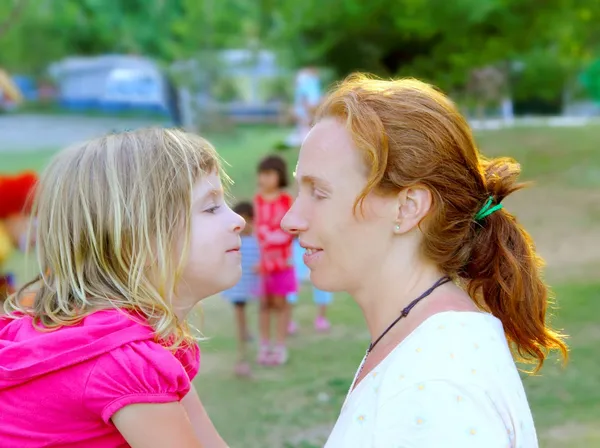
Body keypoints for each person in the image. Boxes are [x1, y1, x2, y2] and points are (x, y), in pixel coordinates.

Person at [281, 74, 568, 447]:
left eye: (318, 192)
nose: (290, 219)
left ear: (408, 207)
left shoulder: (434, 387)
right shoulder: (418, 346)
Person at [0, 128, 240, 448]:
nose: (238, 220)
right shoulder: (124, 361)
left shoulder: (135, 341)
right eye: (211, 208)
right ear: (138, 241)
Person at [254, 155, 297, 365]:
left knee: (281, 304)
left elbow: (291, 229)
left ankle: (280, 346)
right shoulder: (257, 202)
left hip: (283, 263)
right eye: (262, 174)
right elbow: (254, 232)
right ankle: (264, 345)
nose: (264, 178)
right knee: (264, 305)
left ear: (279, 176)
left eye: (269, 174)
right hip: (262, 266)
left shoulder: (286, 201)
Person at [221, 201, 260, 377]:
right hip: (238, 288)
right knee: (241, 316)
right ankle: (242, 352)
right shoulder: (233, 241)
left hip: (254, 287)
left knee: (253, 314)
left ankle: (249, 339)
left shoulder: (257, 240)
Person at [287, 237, 332, 334]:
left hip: (317, 245)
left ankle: (321, 318)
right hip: (297, 244)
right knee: (292, 286)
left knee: (322, 283)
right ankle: (288, 321)